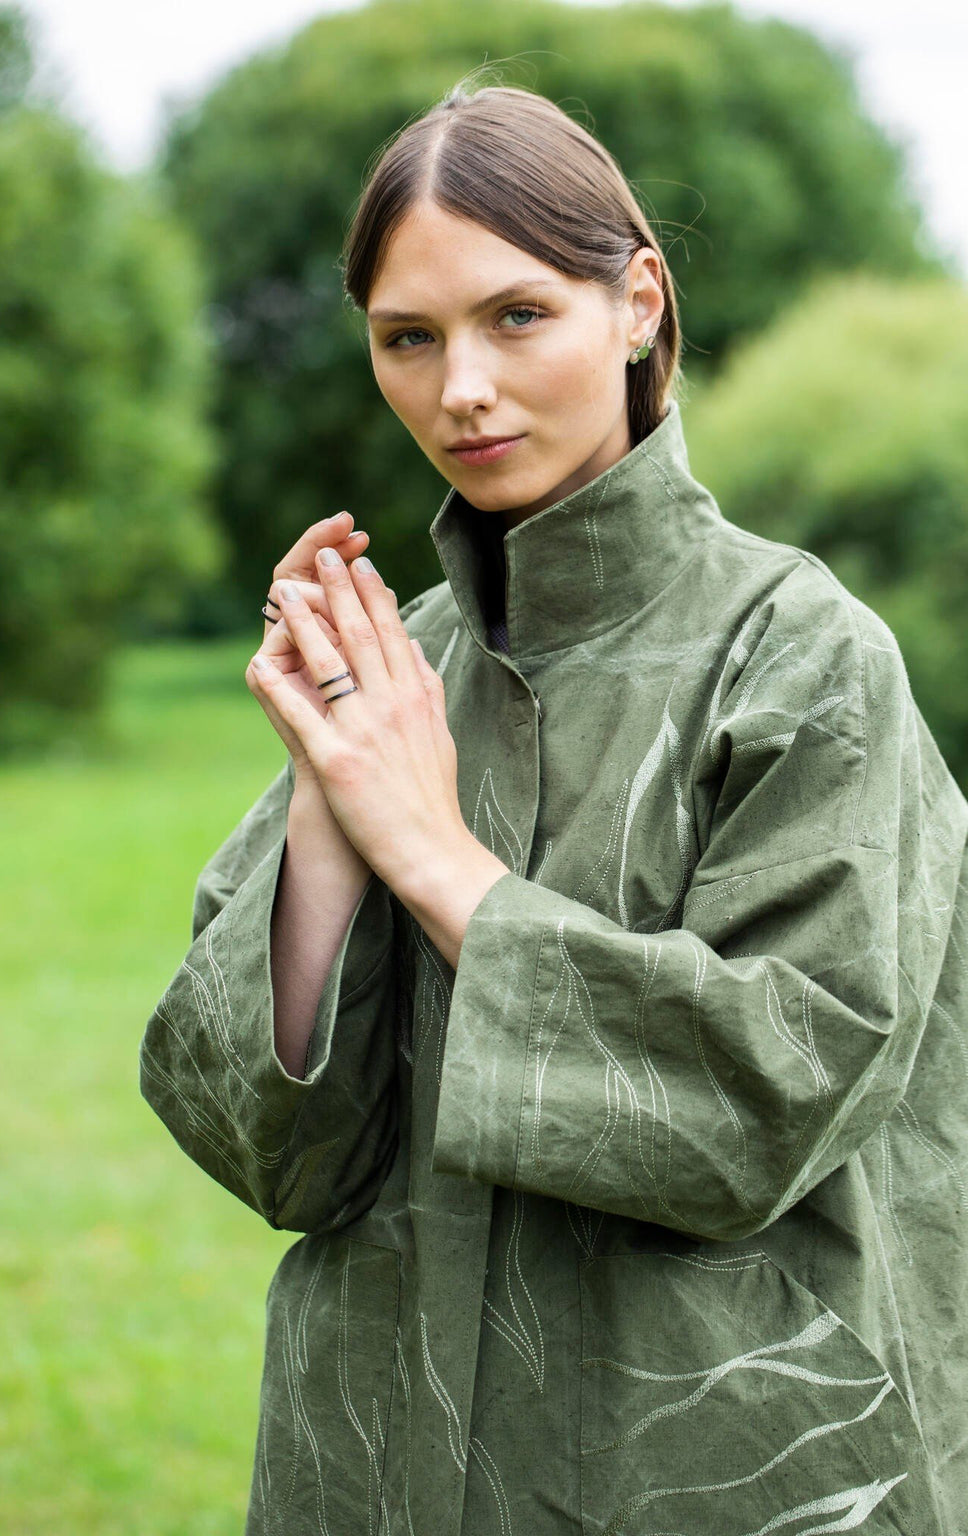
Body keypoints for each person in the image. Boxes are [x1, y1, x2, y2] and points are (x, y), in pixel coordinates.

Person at [139, 81, 968, 1536]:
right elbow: (271, 1154)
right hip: (372, 1463)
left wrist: (436, 858)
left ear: (636, 302)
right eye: (410, 338)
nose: (461, 387)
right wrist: (334, 815)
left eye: (518, 315)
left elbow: (770, 1102)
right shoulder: (399, 670)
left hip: (713, 1469)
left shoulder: (802, 657)